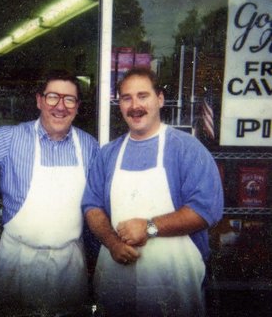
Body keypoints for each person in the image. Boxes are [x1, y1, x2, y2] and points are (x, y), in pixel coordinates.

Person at [0, 70, 99, 315]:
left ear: (77, 106)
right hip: (17, 260)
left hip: (70, 263)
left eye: (69, 99)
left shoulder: (89, 146)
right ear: (39, 100)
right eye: (52, 97)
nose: (60, 106)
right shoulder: (11, 138)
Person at [82, 67, 223, 317]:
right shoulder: (107, 154)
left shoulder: (187, 149)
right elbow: (92, 206)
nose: (135, 105)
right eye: (126, 98)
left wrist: (149, 227)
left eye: (143, 96)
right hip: (117, 278)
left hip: (174, 281)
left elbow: (205, 210)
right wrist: (113, 243)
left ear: (159, 99)